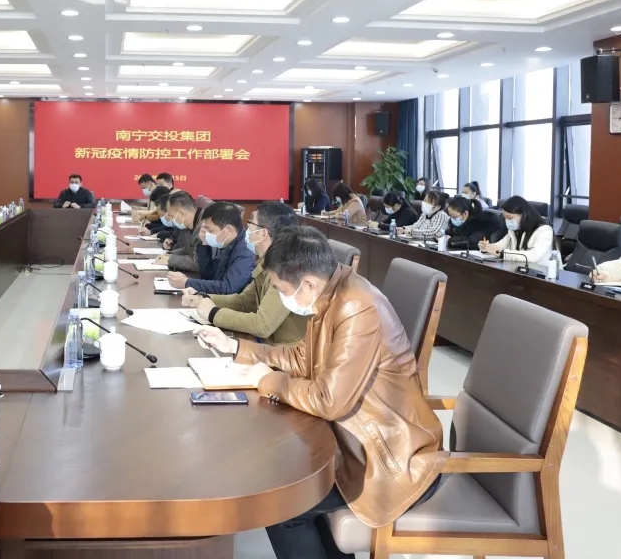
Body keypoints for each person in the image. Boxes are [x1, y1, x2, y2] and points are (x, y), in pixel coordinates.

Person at [192, 226, 445, 559]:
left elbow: (329, 400)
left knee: (282, 506)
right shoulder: (333, 292)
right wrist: (237, 347)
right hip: (351, 442)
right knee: (280, 479)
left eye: (282, 289)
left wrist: (267, 381)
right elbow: (303, 357)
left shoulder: (356, 307)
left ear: (308, 284)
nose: (281, 296)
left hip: (388, 458)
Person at [181, 202, 305, 344]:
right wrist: (203, 298)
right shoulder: (266, 261)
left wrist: (213, 313)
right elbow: (244, 301)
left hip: (282, 352)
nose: (246, 229)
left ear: (263, 233)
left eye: (250, 224)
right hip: (266, 346)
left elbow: (262, 325)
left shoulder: (287, 269)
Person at [167, 201, 255, 295]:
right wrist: (204, 245)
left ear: (228, 230)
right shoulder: (225, 242)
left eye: (210, 230)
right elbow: (208, 276)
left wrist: (187, 282)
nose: (206, 233)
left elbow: (228, 288)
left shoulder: (246, 250)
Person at [479, 195, 555, 267]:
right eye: (505, 218)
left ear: (524, 215)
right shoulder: (514, 230)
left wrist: (503, 253)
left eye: (510, 218)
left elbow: (534, 256)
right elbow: (500, 246)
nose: (507, 221)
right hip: (519, 271)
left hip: (542, 273)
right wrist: (486, 248)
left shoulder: (545, 231)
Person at [155, 190, 203, 272]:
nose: (170, 219)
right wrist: (169, 255)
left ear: (181, 213)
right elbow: (188, 250)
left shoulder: (204, 227)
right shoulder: (191, 224)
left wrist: (170, 260)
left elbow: (198, 263)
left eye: (171, 216)